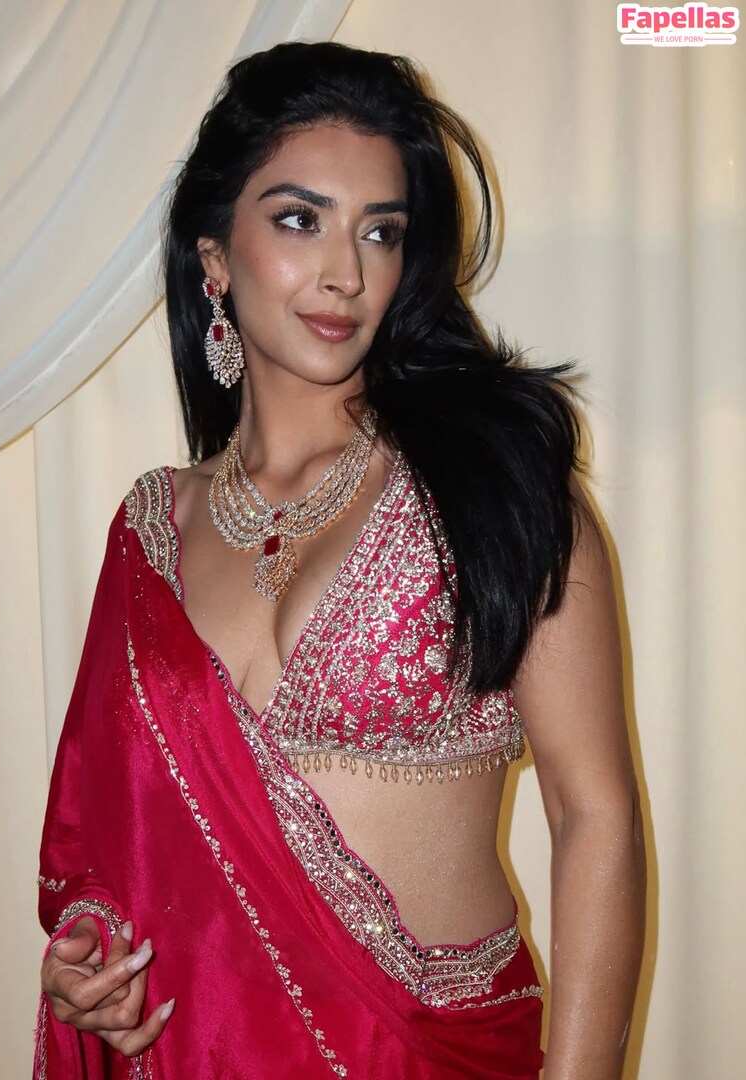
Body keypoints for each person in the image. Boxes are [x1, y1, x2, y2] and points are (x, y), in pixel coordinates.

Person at [34, 41, 646, 1079]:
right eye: (298, 219)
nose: (346, 274)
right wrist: (91, 965)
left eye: (380, 231)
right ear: (213, 255)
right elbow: (104, 848)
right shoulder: (152, 531)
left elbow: (595, 817)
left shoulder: (493, 488)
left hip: (433, 1056)